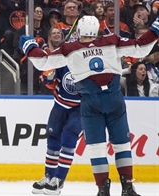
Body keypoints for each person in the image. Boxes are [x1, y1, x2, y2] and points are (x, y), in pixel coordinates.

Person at [19, 14, 159, 195]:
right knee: (122, 145)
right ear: (98, 28)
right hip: (114, 99)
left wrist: (29, 46)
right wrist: (156, 28)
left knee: (97, 147)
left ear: (78, 31)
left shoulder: (70, 48)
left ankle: (102, 189)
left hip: (90, 103)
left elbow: (43, 61)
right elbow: (141, 47)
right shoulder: (111, 40)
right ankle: (127, 187)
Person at [31, 29, 82, 195]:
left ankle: (59, 180)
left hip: (79, 108)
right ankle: (49, 176)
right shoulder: (61, 58)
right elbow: (49, 83)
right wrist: (50, 77)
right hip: (59, 106)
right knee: (53, 140)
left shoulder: (88, 61)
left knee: (68, 138)